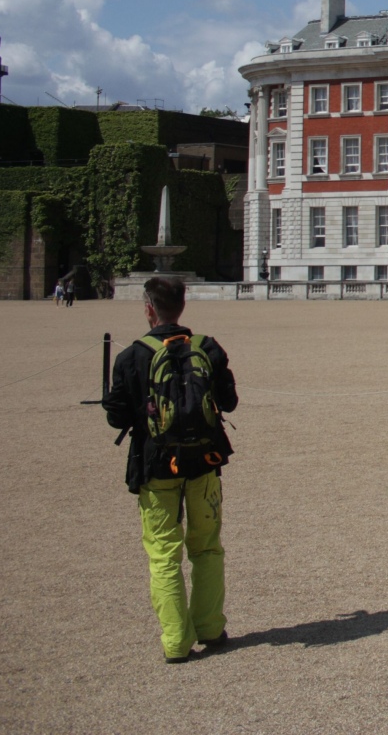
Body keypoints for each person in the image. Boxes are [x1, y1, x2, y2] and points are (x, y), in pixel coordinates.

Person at [103, 277, 238, 663]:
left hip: (156, 463)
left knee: (163, 552)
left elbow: (116, 418)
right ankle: (209, 626)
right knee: (207, 547)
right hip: (204, 462)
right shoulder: (207, 348)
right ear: (182, 306)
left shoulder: (132, 356)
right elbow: (229, 402)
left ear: (149, 308)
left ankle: (177, 641)